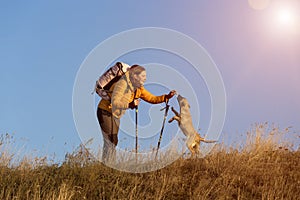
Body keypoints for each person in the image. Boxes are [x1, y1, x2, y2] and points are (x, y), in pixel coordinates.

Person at [97, 64, 176, 163]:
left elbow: (151, 98)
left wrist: (166, 97)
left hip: (115, 115)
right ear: (134, 76)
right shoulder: (122, 84)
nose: (144, 79)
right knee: (110, 141)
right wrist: (130, 104)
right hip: (105, 111)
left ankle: (108, 164)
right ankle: (107, 165)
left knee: (114, 140)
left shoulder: (139, 88)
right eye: (142, 76)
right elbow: (115, 102)